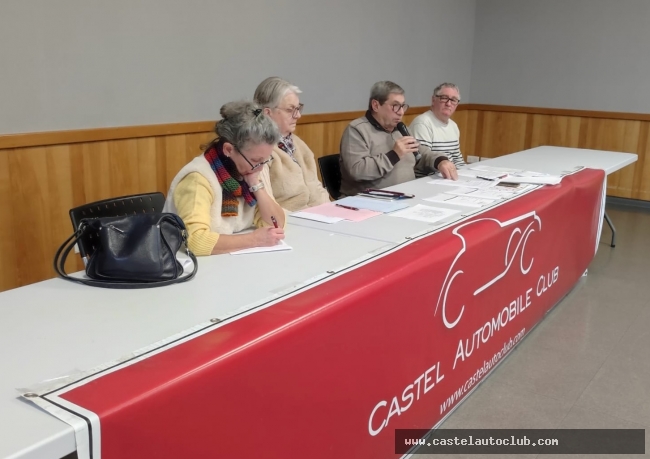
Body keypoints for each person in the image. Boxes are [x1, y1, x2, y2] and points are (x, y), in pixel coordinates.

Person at [163, 101, 285, 256]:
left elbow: (276, 224)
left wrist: (256, 185)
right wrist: (254, 239)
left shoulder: (248, 172)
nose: (260, 168)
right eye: (256, 160)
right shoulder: (198, 179)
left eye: (265, 160)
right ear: (228, 149)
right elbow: (196, 241)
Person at [339, 81, 457, 197]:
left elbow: (420, 154)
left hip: (406, 195)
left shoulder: (400, 129)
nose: (401, 112)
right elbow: (357, 171)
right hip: (369, 200)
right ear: (376, 105)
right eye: (395, 106)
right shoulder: (357, 130)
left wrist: (440, 161)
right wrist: (394, 155)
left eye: (402, 106)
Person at [254, 77, 330, 211]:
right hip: (290, 220)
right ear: (267, 113)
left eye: (298, 108)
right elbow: (266, 207)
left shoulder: (299, 144)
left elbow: (317, 187)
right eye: (290, 110)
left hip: (320, 216)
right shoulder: (258, 151)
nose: (298, 115)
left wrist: (331, 211)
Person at [409, 83, 465, 168]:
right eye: (444, 98)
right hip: (431, 175)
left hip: (449, 174)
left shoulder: (453, 126)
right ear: (433, 100)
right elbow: (422, 160)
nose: (448, 104)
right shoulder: (422, 123)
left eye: (453, 100)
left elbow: (457, 159)